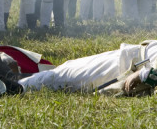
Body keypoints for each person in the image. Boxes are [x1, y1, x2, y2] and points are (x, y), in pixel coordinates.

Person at [20, 40, 157, 95]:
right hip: (134, 59)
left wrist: (144, 74)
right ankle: (14, 83)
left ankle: (14, 86)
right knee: (64, 72)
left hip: (134, 65)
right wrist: (144, 73)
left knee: (61, 76)